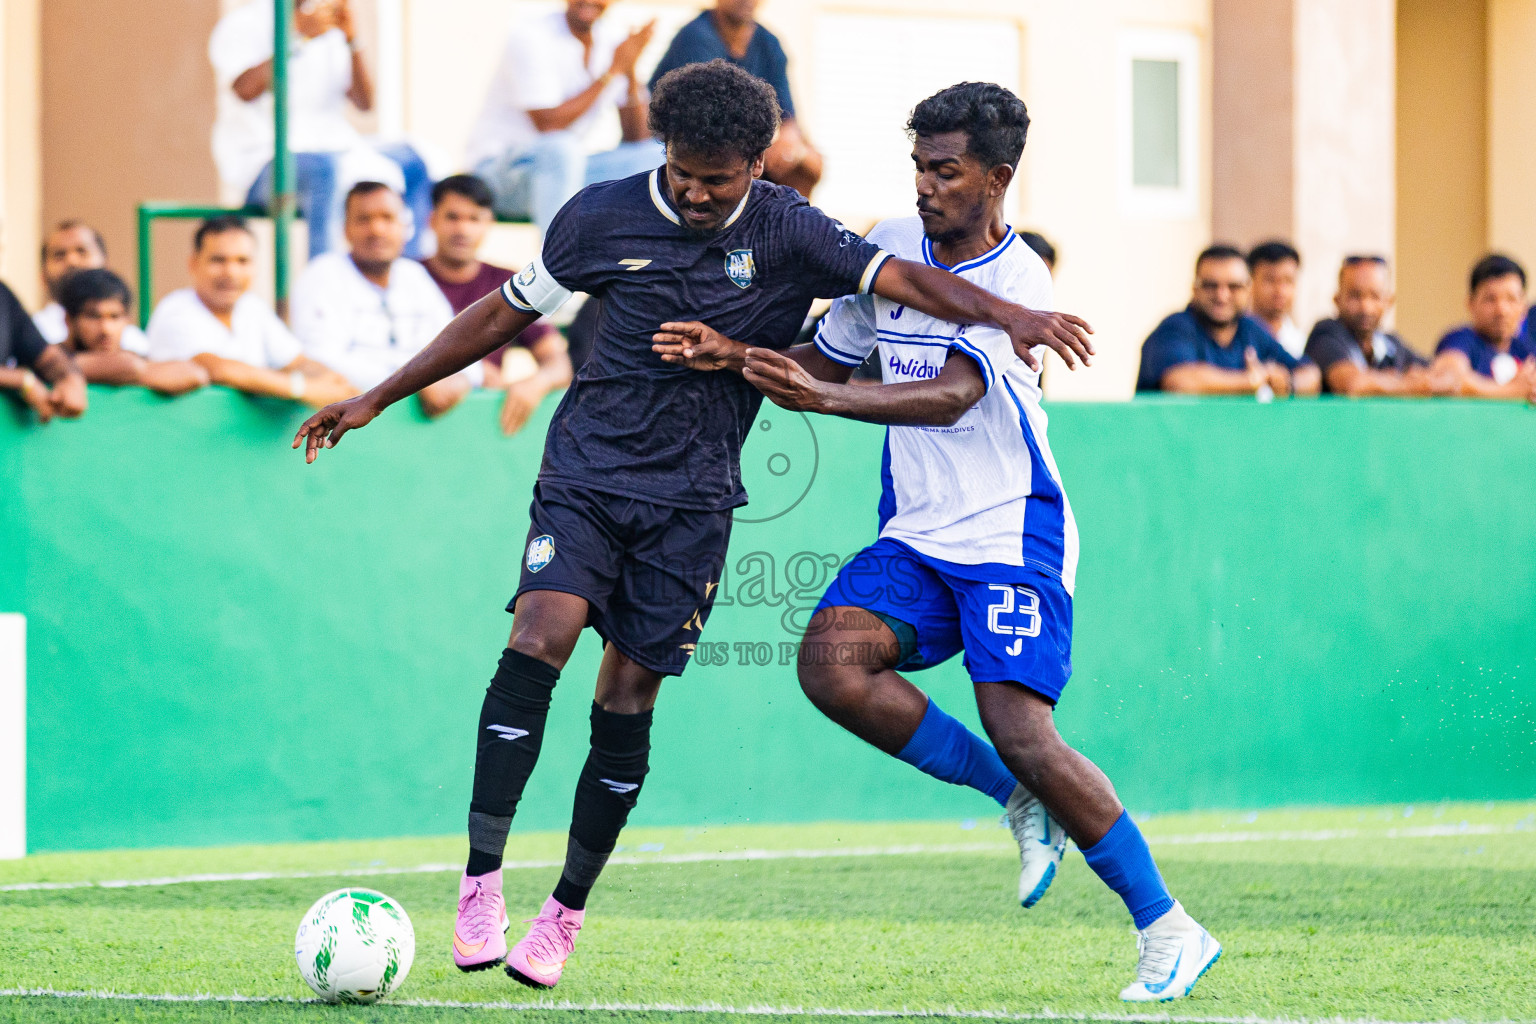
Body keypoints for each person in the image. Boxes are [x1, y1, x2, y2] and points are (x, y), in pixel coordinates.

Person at [291, 59, 1093, 989]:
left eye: (718, 177)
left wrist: (1014, 313)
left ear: (758, 163)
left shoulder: (793, 228)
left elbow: (906, 280)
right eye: (682, 171)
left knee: (626, 697)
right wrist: (376, 396)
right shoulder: (598, 214)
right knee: (539, 636)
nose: (697, 191)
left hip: (696, 500)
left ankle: (565, 912)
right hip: (586, 475)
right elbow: (498, 317)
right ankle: (480, 881)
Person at [692, 81, 1219, 1004]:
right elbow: (830, 357)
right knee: (832, 664)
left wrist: (830, 400)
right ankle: (1016, 802)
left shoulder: (1019, 281)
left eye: (947, 171)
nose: (928, 187)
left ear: (997, 177)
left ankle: (1170, 929)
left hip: (1012, 533)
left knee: (1023, 728)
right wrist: (741, 359)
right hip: (920, 534)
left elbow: (952, 392)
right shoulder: (892, 246)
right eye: (920, 168)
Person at [210, 0, 434, 258]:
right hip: (264, 160)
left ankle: (408, 275)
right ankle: (323, 280)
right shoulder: (244, 23)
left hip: (333, 148)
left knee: (412, 161)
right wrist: (295, 37)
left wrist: (352, 40)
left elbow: (365, 103)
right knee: (324, 169)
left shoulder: (321, 22)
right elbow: (244, 89)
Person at [468, 0, 663, 233]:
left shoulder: (612, 40)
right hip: (498, 176)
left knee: (657, 158)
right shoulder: (531, 35)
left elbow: (638, 136)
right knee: (561, 148)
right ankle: (556, 262)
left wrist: (629, 70)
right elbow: (549, 124)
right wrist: (611, 72)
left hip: (565, 173)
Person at [293, 183, 478, 418]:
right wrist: (415, 381)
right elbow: (319, 360)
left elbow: (462, 344)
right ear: (345, 229)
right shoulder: (323, 274)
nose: (377, 230)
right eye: (364, 219)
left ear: (404, 227)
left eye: (388, 218)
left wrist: (461, 379)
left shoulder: (414, 276)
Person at [420, 175, 574, 434]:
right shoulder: (405, 276)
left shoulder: (509, 284)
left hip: (482, 430)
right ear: (432, 220)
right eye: (453, 217)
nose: (463, 230)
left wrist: (535, 383)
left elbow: (559, 364)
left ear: (489, 223)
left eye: (474, 219)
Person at [147, 216, 354, 407]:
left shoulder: (252, 307)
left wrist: (334, 382)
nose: (231, 272)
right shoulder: (175, 311)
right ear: (193, 263)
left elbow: (296, 361)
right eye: (218, 260)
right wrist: (303, 389)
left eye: (242, 261)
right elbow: (217, 369)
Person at [648, 0, 822, 197]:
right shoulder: (695, 37)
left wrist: (790, 145)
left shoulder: (768, 43)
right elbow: (708, 122)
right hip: (691, 147)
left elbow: (788, 116)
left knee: (807, 166)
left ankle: (786, 224)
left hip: (743, 147)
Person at [1137, 245, 1320, 397]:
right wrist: (1252, 381)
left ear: (1249, 290)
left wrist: (1287, 383)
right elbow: (1180, 382)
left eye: (1234, 287)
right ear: (1194, 289)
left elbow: (1311, 375)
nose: (1222, 296)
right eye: (1211, 286)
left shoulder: (1251, 329)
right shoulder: (1175, 328)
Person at [1303, 257, 1446, 397]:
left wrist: (1422, 380)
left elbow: (1441, 375)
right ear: (1337, 299)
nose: (1366, 307)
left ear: (1388, 301)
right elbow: (1353, 384)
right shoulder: (1325, 334)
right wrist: (1407, 384)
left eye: (1375, 296)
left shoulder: (1391, 344)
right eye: (1355, 296)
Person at [58, 269, 209, 396]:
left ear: (128, 320)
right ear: (69, 320)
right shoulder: (51, 358)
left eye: (115, 317)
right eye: (94, 317)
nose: (106, 329)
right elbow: (127, 366)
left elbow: (195, 374)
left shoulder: (135, 358)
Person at [1430, 254, 1536, 402]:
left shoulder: (1526, 351)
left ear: (1523, 307)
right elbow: (1448, 379)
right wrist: (1512, 390)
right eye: (1490, 299)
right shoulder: (1460, 340)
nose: (1501, 310)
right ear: (1470, 303)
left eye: (1511, 299)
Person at [34, 220, 150, 353]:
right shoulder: (32, 330)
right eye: (60, 255)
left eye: (82, 251)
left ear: (106, 267)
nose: (72, 261)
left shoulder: (133, 340)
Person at [0, 278, 88, 423]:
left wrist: (71, 378)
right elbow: (22, 379)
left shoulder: (2, 295)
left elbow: (45, 355)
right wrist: (20, 379)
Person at [1247, 241, 1305, 357]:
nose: (1280, 291)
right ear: (1250, 282)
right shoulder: (1233, 337)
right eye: (1270, 280)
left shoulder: (1302, 344)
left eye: (1288, 281)